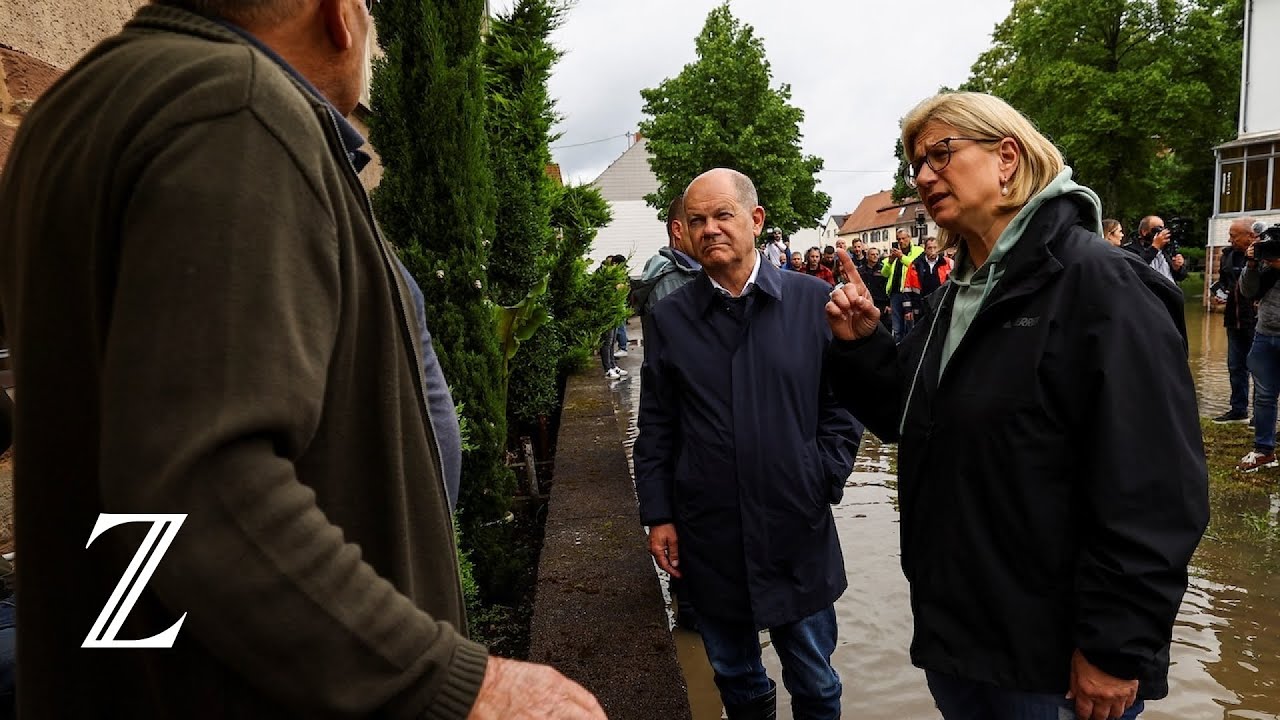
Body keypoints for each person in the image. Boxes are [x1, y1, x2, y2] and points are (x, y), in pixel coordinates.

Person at [0, 2, 605, 718]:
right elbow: (198, 483)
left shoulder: (68, 114)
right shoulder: (236, 111)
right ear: (338, 16)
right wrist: (460, 686)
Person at [824, 92, 1208, 720]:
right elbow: (905, 419)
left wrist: (1116, 648)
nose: (922, 177)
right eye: (916, 164)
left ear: (1006, 158)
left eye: (940, 155)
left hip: (1052, 665)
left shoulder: (1103, 286)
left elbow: (1155, 490)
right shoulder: (962, 291)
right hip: (963, 641)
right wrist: (865, 345)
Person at [635, 168, 862, 720]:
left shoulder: (814, 302)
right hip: (708, 530)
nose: (710, 229)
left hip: (795, 524)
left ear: (755, 220)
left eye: (722, 215)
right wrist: (659, 514)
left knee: (814, 679)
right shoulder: (669, 316)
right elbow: (658, 423)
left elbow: (845, 404)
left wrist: (821, 473)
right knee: (735, 678)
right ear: (682, 233)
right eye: (697, 221)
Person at [1237, 228, 1280, 470]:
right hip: (1265, 334)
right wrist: (1252, 263)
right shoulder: (1263, 262)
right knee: (1264, 396)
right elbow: (1247, 291)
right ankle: (1264, 450)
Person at [1213, 218, 1259, 424]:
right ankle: (1238, 410)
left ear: (1251, 236)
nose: (1230, 239)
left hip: (1258, 321)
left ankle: (1261, 416)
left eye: (1234, 235)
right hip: (1234, 319)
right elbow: (1224, 282)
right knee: (1235, 366)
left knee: (1260, 369)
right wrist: (1220, 294)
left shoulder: (1264, 255)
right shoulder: (1227, 256)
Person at [882, 229, 924, 340]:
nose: (901, 241)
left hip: (910, 294)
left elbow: (915, 266)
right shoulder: (894, 253)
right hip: (895, 293)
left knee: (910, 325)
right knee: (897, 327)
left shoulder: (918, 251)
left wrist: (901, 257)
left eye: (903, 238)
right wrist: (890, 261)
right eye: (898, 239)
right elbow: (884, 273)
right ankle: (897, 348)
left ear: (909, 238)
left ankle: (909, 349)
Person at [901, 236, 951, 324]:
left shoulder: (947, 263)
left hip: (941, 305)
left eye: (935, 248)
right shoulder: (915, 265)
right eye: (929, 248)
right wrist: (908, 310)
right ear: (925, 249)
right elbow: (907, 287)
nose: (932, 250)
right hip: (921, 306)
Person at [1125, 216, 1187, 285]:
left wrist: (1178, 268)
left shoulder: (1167, 249)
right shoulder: (1130, 249)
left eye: (1163, 228)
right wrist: (1155, 247)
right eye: (1158, 228)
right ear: (1144, 232)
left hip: (1170, 292)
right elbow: (1137, 270)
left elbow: (1181, 276)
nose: (1162, 232)